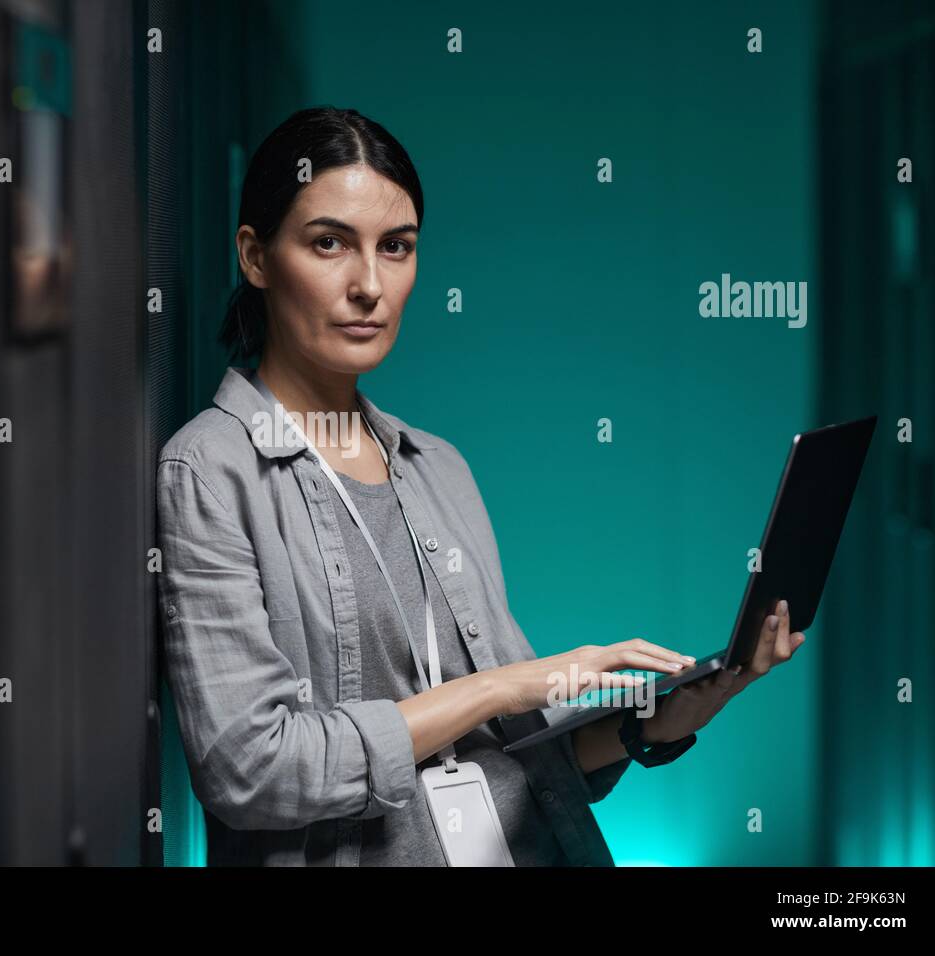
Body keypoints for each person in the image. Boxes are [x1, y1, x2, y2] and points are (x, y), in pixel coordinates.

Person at [154, 106, 805, 866]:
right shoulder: (210, 470)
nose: (369, 285)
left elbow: (517, 766)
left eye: (396, 248)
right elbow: (252, 770)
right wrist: (502, 688)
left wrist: (663, 717)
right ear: (256, 257)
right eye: (329, 243)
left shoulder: (437, 466)